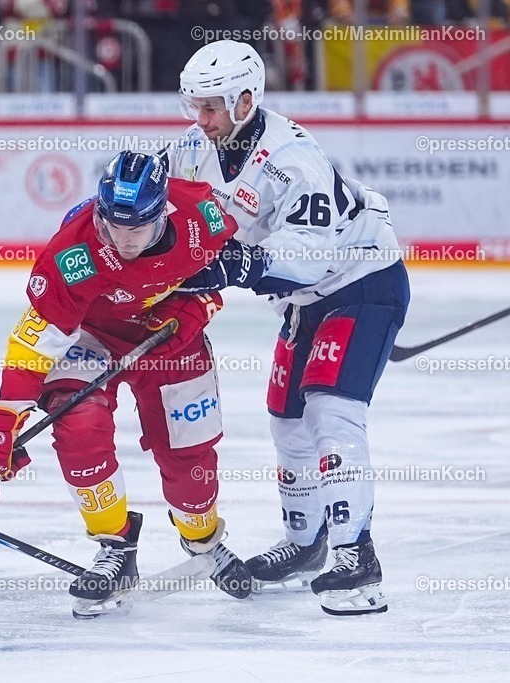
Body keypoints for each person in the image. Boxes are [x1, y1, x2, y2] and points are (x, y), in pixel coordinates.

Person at [162, 39, 410, 615]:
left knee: (330, 411)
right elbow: (158, 198)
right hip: (305, 302)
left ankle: (357, 558)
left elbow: (311, 255)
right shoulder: (195, 147)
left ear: (246, 100)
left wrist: (233, 266)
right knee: (286, 421)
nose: (200, 120)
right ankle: (306, 543)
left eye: (211, 107)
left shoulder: (293, 157)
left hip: (360, 283)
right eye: (193, 106)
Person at [0, 150, 254, 619]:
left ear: (162, 214)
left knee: (190, 460)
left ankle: (201, 535)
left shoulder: (201, 214)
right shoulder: (74, 252)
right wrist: (6, 413)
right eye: (111, 227)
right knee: (76, 420)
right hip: (91, 336)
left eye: (135, 230)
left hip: (169, 341)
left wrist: (196, 305)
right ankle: (116, 546)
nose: (121, 240)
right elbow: (37, 335)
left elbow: (227, 268)